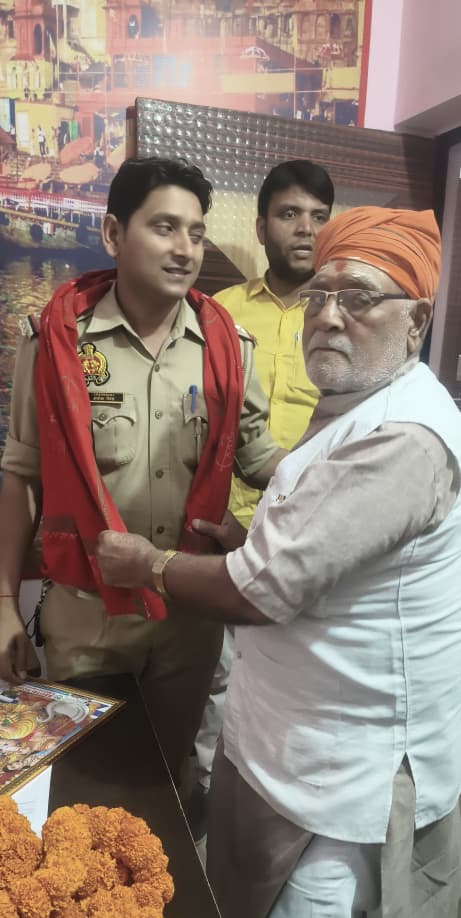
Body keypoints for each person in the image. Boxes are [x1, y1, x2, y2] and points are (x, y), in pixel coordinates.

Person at [95, 205, 461, 918]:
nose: (328, 315)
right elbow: (320, 541)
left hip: (343, 769)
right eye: (319, 295)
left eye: (358, 298)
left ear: (416, 322)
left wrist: (148, 565)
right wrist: (242, 538)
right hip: (285, 737)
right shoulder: (353, 400)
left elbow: (268, 590)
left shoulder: (404, 437)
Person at [0, 156, 285, 788]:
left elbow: (259, 458)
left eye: (197, 233)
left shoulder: (228, 349)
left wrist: (340, 454)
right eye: (164, 227)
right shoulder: (56, 342)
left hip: (189, 619)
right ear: (113, 233)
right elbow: (22, 476)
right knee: (84, 785)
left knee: (169, 781)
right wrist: (3, 607)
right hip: (88, 617)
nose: (185, 249)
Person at [190, 158, 334, 839]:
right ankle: (205, 796)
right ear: (261, 227)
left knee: (293, 682)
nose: (305, 229)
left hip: (304, 537)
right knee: (212, 677)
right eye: (289, 214)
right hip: (221, 532)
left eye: (318, 216)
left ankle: (279, 812)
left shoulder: (340, 318)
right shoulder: (221, 313)